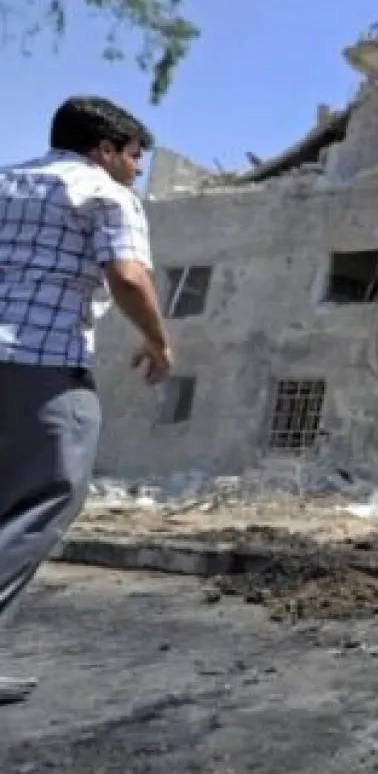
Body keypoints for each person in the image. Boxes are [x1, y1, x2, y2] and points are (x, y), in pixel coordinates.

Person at [0, 96, 173, 705]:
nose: (137, 172)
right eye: (134, 157)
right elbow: (128, 276)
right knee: (46, 496)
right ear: (105, 151)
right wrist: (158, 340)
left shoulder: (4, 182)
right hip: (42, 365)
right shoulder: (104, 194)